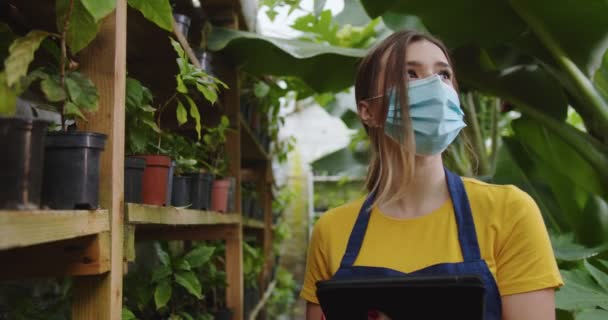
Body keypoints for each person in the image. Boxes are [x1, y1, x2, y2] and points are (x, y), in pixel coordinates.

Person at [301, 30, 563, 320]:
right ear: (368, 111)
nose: (435, 87)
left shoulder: (509, 211)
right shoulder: (332, 230)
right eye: (410, 74)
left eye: (444, 75)